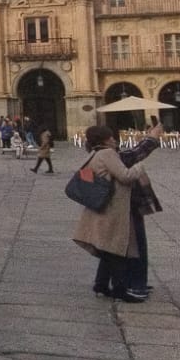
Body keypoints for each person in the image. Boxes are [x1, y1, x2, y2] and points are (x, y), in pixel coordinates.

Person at [72, 124, 153, 301]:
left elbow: (89, 176)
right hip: (114, 208)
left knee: (108, 250)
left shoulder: (93, 154)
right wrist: (140, 166)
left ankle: (101, 285)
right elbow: (125, 176)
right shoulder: (107, 153)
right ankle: (120, 290)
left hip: (102, 206)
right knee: (117, 249)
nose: (114, 139)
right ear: (105, 139)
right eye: (111, 137)